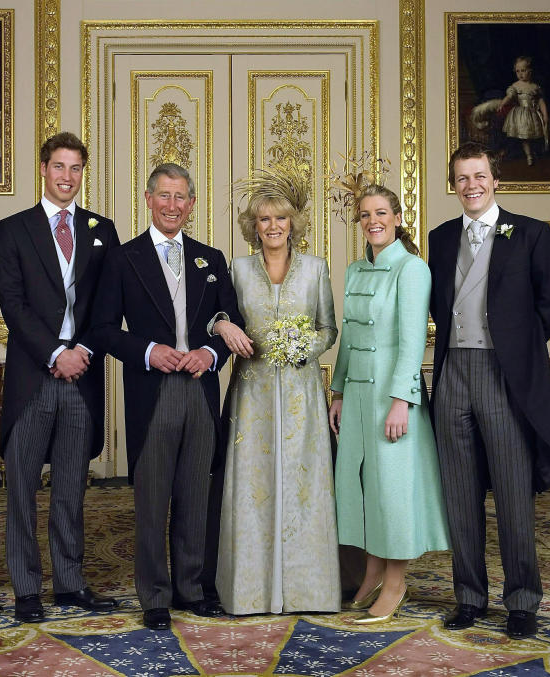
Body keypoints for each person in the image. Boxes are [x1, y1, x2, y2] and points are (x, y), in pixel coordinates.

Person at [93, 163, 244, 631]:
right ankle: (155, 596)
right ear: (147, 198)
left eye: (181, 198)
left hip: (199, 391)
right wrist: (147, 351)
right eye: (164, 196)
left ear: (192, 205)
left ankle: (192, 589)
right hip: (152, 391)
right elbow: (101, 329)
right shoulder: (123, 259)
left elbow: (231, 321)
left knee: (196, 495)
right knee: (153, 498)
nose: (172, 206)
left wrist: (209, 353)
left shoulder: (211, 259)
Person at [429, 141, 550, 639]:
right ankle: (469, 597)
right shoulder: (441, 238)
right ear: (454, 184)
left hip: (503, 376)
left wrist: (515, 349)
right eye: (463, 178)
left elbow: (549, 303)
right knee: (460, 495)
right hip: (452, 375)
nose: (472, 186)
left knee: (512, 495)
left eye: (479, 176)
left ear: (495, 180)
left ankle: (522, 601)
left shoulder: (530, 233)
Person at [0, 132, 120, 623]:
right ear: (43, 168)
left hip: (82, 376)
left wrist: (82, 350)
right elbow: (13, 304)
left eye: (76, 169)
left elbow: (108, 304)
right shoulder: (15, 228)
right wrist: (54, 354)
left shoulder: (101, 229)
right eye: (59, 167)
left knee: (70, 489)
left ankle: (70, 584)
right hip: (34, 376)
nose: (67, 177)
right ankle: (27, 588)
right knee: (22, 489)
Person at [212, 170, 340, 615]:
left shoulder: (316, 269)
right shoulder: (239, 269)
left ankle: (309, 591)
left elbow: (330, 328)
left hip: (303, 395)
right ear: (254, 226)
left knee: (304, 486)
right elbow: (218, 314)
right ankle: (250, 592)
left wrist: (308, 345)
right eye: (263, 219)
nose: (272, 227)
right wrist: (222, 324)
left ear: (293, 223)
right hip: (254, 394)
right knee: (254, 486)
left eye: (280, 219)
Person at [328, 184, 450, 624]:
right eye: (364, 214)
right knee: (361, 487)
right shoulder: (356, 270)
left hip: (393, 397)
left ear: (397, 218)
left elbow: (412, 341)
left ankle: (396, 582)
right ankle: (373, 570)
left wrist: (402, 401)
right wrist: (338, 391)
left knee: (393, 492)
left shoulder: (412, 269)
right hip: (357, 397)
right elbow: (349, 337)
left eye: (381, 212)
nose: (372, 220)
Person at [500, 56, 550, 166]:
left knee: (533, 136)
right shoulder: (516, 86)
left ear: (530, 71)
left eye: (523, 70)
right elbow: (509, 97)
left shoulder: (535, 87)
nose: (520, 74)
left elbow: (541, 101)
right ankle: (529, 155)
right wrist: (502, 103)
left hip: (533, 114)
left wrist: (545, 115)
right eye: (517, 71)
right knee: (525, 138)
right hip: (520, 115)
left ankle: (533, 153)